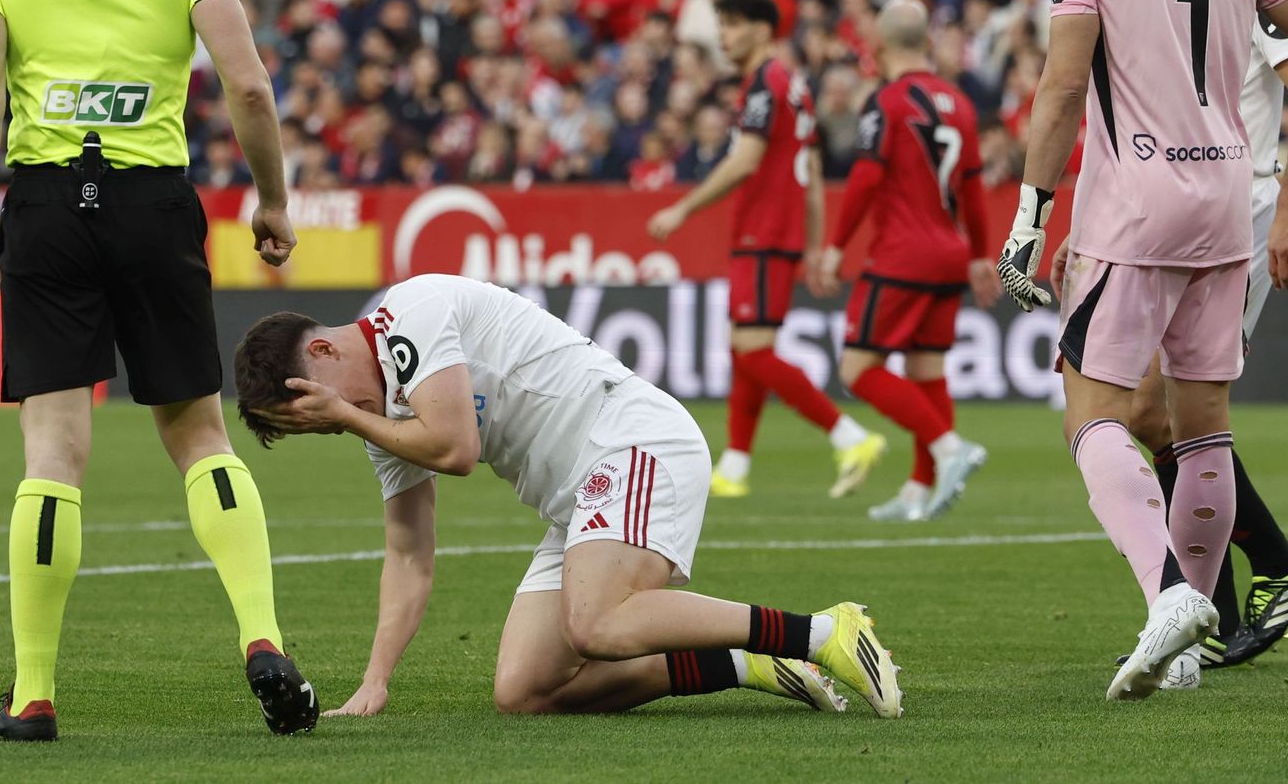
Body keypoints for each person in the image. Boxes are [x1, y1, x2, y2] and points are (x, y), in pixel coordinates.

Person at [0, 0, 317, 741]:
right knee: (199, 435)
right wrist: (273, 200)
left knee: (54, 456)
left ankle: (32, 696)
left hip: (46, 203)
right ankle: (265, 641)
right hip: (153, 197)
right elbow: (247, 83)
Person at [996, 0, 1288, 702]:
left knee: (1094, 414)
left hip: (1135, 201)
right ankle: (1190, 641)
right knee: (1201, 429)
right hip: (1225, 201)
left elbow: (1066, 83)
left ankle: (1167, 598)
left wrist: (1030, 215)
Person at [232, 274, 903, 719]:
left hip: (635, 441)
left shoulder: (410, 313)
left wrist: (350, 417)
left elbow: (456, 448)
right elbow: (409, 554)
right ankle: (744, 662)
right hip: (581, 501)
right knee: (524, 690)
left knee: (596, 621)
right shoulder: (380, 418)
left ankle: (822, 631)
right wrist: (375, 680)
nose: (338, 420)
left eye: (324, 411)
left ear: (323, 348)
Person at [647, 0, 880, 499]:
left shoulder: (762, 85)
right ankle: (735, 465)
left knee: (752, 353)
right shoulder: (794, 84)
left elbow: (745, 160)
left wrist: (682, 208)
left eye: (731, 24)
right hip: (783, 232)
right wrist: (815, 245)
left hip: (762, 231)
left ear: (760, 28)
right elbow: (812, 169)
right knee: (748, 348)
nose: (723, 36)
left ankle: (849, 435)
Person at [813, 0, 1001, 522]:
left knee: (858, 368)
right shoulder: (959, 103)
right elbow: (972, 188)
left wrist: (833, 247)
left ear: (879, 42)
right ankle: (920, 489)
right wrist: (980, 255)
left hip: (902, 255)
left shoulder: (888, 101)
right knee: (926, 370)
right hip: (950, 252)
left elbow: (867, 178)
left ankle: (948, 449)